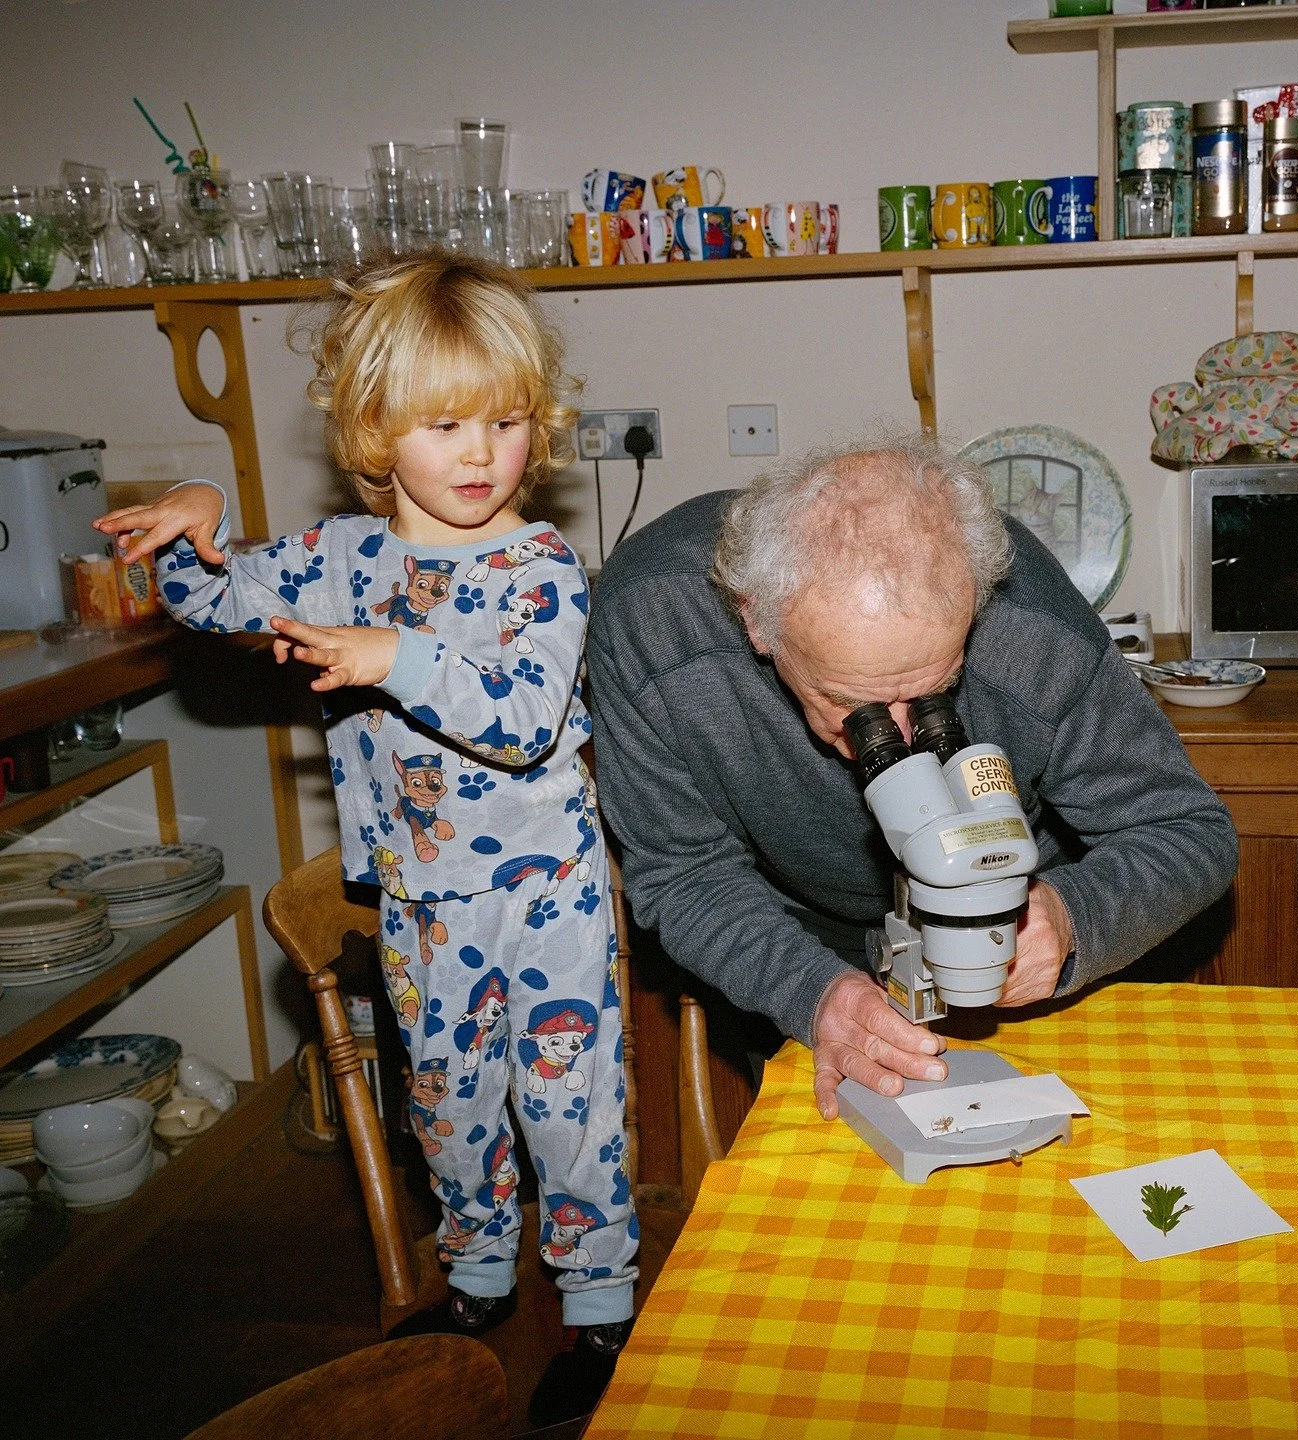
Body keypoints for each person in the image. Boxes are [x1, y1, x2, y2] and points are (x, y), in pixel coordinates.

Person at [95, 255, 634, 1426]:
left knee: (564, 1101)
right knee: (441, 1097)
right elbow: (223, 600)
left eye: (505, 419)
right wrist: (199, 527)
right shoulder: (342, 558)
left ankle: (599, 1306)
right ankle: (481, 1278)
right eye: (446, 424)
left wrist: (397, 655)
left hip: (546, 899)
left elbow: (524, 714)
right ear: (376, 429)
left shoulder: (536, 569)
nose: (482, 451)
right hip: (419, 898)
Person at [586, 434, 1238, 1117]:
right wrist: (812, 994)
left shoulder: (1034, 630)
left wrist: (1075, 919)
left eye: (934, 692)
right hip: (792, 932)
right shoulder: (653, 619)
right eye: (852, 705)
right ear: (754, 618)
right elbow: (685, 871)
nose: (896, 741)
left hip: (1014, 927)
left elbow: (1188, 833)